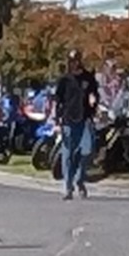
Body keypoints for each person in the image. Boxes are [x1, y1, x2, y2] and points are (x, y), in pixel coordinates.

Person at [52, 57, 97, 198]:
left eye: (76, 61)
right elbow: (57, 100)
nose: (74, 64)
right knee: (68, 154)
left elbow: (94, 94)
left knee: (86, 151)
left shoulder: (88, 78)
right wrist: (56, 120)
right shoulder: (65, 80)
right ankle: (68, 186)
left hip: (85, 119)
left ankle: (79, 179)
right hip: (68, 120)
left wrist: (94, 100)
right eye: (71, 61)